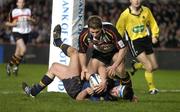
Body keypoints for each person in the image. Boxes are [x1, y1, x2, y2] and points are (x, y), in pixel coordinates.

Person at [22, 24, 137, 102]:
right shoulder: (113, 83)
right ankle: (33, 92)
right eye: (119, 89)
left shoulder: (105, 97)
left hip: (77, 88)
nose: (116, 91)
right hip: (82, 79)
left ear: (117, 96)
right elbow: (101, 67)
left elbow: (78, 98)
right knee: (72, 54)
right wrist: (104, 80)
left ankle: (33, 91)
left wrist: (87, 90)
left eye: (118, 93)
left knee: (56, 66)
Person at [78, 15, 134, 94]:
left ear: (102, 28)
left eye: (97, 32)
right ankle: (107, 91)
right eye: (92, 32)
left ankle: (129, 92)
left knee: (120, 70)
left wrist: (114, 66)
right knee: (90, 76)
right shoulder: (84, 34)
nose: (95, 35)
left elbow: (123, 48)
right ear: (88, 29)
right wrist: (83, 67)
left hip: (114, 52)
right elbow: (82, 52)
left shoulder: (110, 30)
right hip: (99, 54)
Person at [116, 0, 159, 94]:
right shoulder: (125, 14)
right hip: (134, 42)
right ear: (130, 0)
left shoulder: (146, 10)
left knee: (155, 66)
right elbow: (119, 31)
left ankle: (136, 65)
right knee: (149, 66)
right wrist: (118, 44)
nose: (137, 1)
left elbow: (153, 23)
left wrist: (154, 35)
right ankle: (152, 89)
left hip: (146, 40)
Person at [5, 0, 36, 76]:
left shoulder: (28, 11)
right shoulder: (13, 12)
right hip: (17, 32)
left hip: (26, 33)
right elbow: (6, 23)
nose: (21, 4)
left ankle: (9, 66)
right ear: (17, 3)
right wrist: (13, 24)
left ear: (24, 3)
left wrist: (30, 19)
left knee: (18, 53)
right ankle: (15, 67)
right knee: (24, 49)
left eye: (23, 2)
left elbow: (35, 20)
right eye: (20, 2)